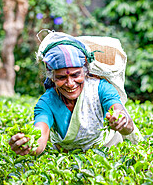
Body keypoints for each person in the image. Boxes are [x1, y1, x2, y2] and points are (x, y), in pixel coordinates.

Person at [9, 34, 137, 155]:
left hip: (107, 152)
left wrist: (122, 121)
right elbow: (40, 137)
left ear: (85, 71)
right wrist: (28, 144)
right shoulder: (47, 102)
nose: (70, 84)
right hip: (68, 160)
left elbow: (124, 120)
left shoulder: (101, 88)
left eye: (76, 75)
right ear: (52, 77)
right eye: (61, 77)